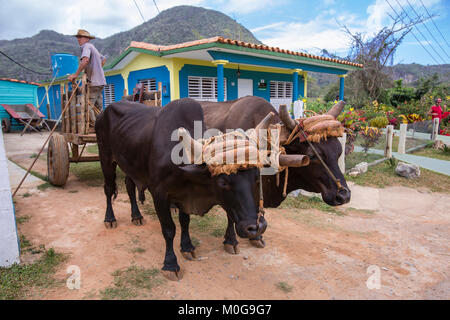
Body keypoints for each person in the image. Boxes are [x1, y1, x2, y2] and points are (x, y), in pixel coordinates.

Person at [68, 29, 106, 123]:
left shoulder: (86, 46)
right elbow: (103, 59)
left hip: (94, 83)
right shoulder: (92, 47)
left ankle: (95, 126)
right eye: (77, 37)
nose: (78, 39)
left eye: (80, 37)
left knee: (86, 106)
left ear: (86, 39)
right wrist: (96, 70)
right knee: (98, 107)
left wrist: (76, 75)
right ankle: (102, 125)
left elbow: (85, 60)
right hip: (100, 82)